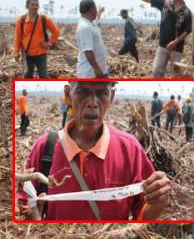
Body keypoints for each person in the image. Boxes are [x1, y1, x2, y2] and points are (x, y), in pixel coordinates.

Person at [17, 81, 171, 220]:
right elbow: (23, 206)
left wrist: (157, 203)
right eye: (83, 92)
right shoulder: (45, 148)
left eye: (102, 93)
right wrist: (31, 213)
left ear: (111, 97)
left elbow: (143, 215)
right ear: (68, 95)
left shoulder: (130, 150)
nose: (92, 103)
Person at [123, 0, 192, 77]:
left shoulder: (187, 12)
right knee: (156, 72)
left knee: (176, 76)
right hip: (162, 46)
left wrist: (174, 42)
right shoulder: (165, 4)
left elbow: (187, 31)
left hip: (176, 49)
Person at [13, 0, 60, 78]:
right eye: (32, 5)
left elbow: (56, 32)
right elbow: (18, 37)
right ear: (27, 6)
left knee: (43, 75)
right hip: (27, 53)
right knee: (27, 75)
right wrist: (16, 52)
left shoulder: (44, 19)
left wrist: (49, 43)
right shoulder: (21, 20)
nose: (35, 7)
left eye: (37, 5)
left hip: (41, 53)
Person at [75, 0, 108, 78]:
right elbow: (88, 51)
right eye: (95, 9)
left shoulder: (90, 23)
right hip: (91, 74)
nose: (96, 11)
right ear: (92, 9)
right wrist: (96, 69)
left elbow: (96, 21)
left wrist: (100, 12)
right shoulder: (84, 27)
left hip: (101, 70)